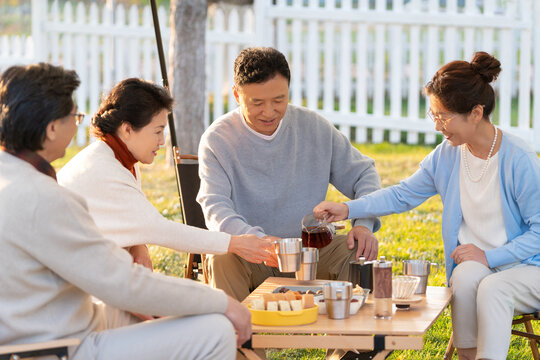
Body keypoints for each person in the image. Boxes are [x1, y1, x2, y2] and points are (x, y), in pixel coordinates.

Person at [0, 63, 250, 360]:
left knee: (157, 316)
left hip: (56, 320)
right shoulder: (44, 198)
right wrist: (222, 301)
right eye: (73, 116)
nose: (78, 123)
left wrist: (136, 246)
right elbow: (123, 283)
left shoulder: (15, 178)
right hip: (53, 347)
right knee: (215, 331)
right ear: (51, 128)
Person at [314, 52, 540, 360]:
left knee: (493, 288)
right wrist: (349, 208)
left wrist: (489, 255)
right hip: (483, 263)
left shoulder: (519, 159)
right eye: (433, 116)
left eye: (444, 117)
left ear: (475, 113)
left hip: (530, 266)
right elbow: (402, 193)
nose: (437, 126)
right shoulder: (448, 154)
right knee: (463, 276)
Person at [57, 78, 273, 300]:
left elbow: (128, 220)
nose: (162, 141)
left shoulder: (119, 158)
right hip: (69, 294)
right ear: (127, 129)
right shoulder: (104, 169)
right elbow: (161, 230)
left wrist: (139, 245)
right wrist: (236, 243)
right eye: (158, 131)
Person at [197, 47, 382, 301]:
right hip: (252, 254)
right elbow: (215, 207)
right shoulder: (217, 139)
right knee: (221, 256)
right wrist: (259, 242)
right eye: (257, 102)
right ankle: (238, 340)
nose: (269, 111)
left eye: (279, 100)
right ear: (237, 95)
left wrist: (363, 225)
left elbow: (365, 174)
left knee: (358, 249)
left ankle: (345, 341)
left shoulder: (314, 127)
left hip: (311, 253)